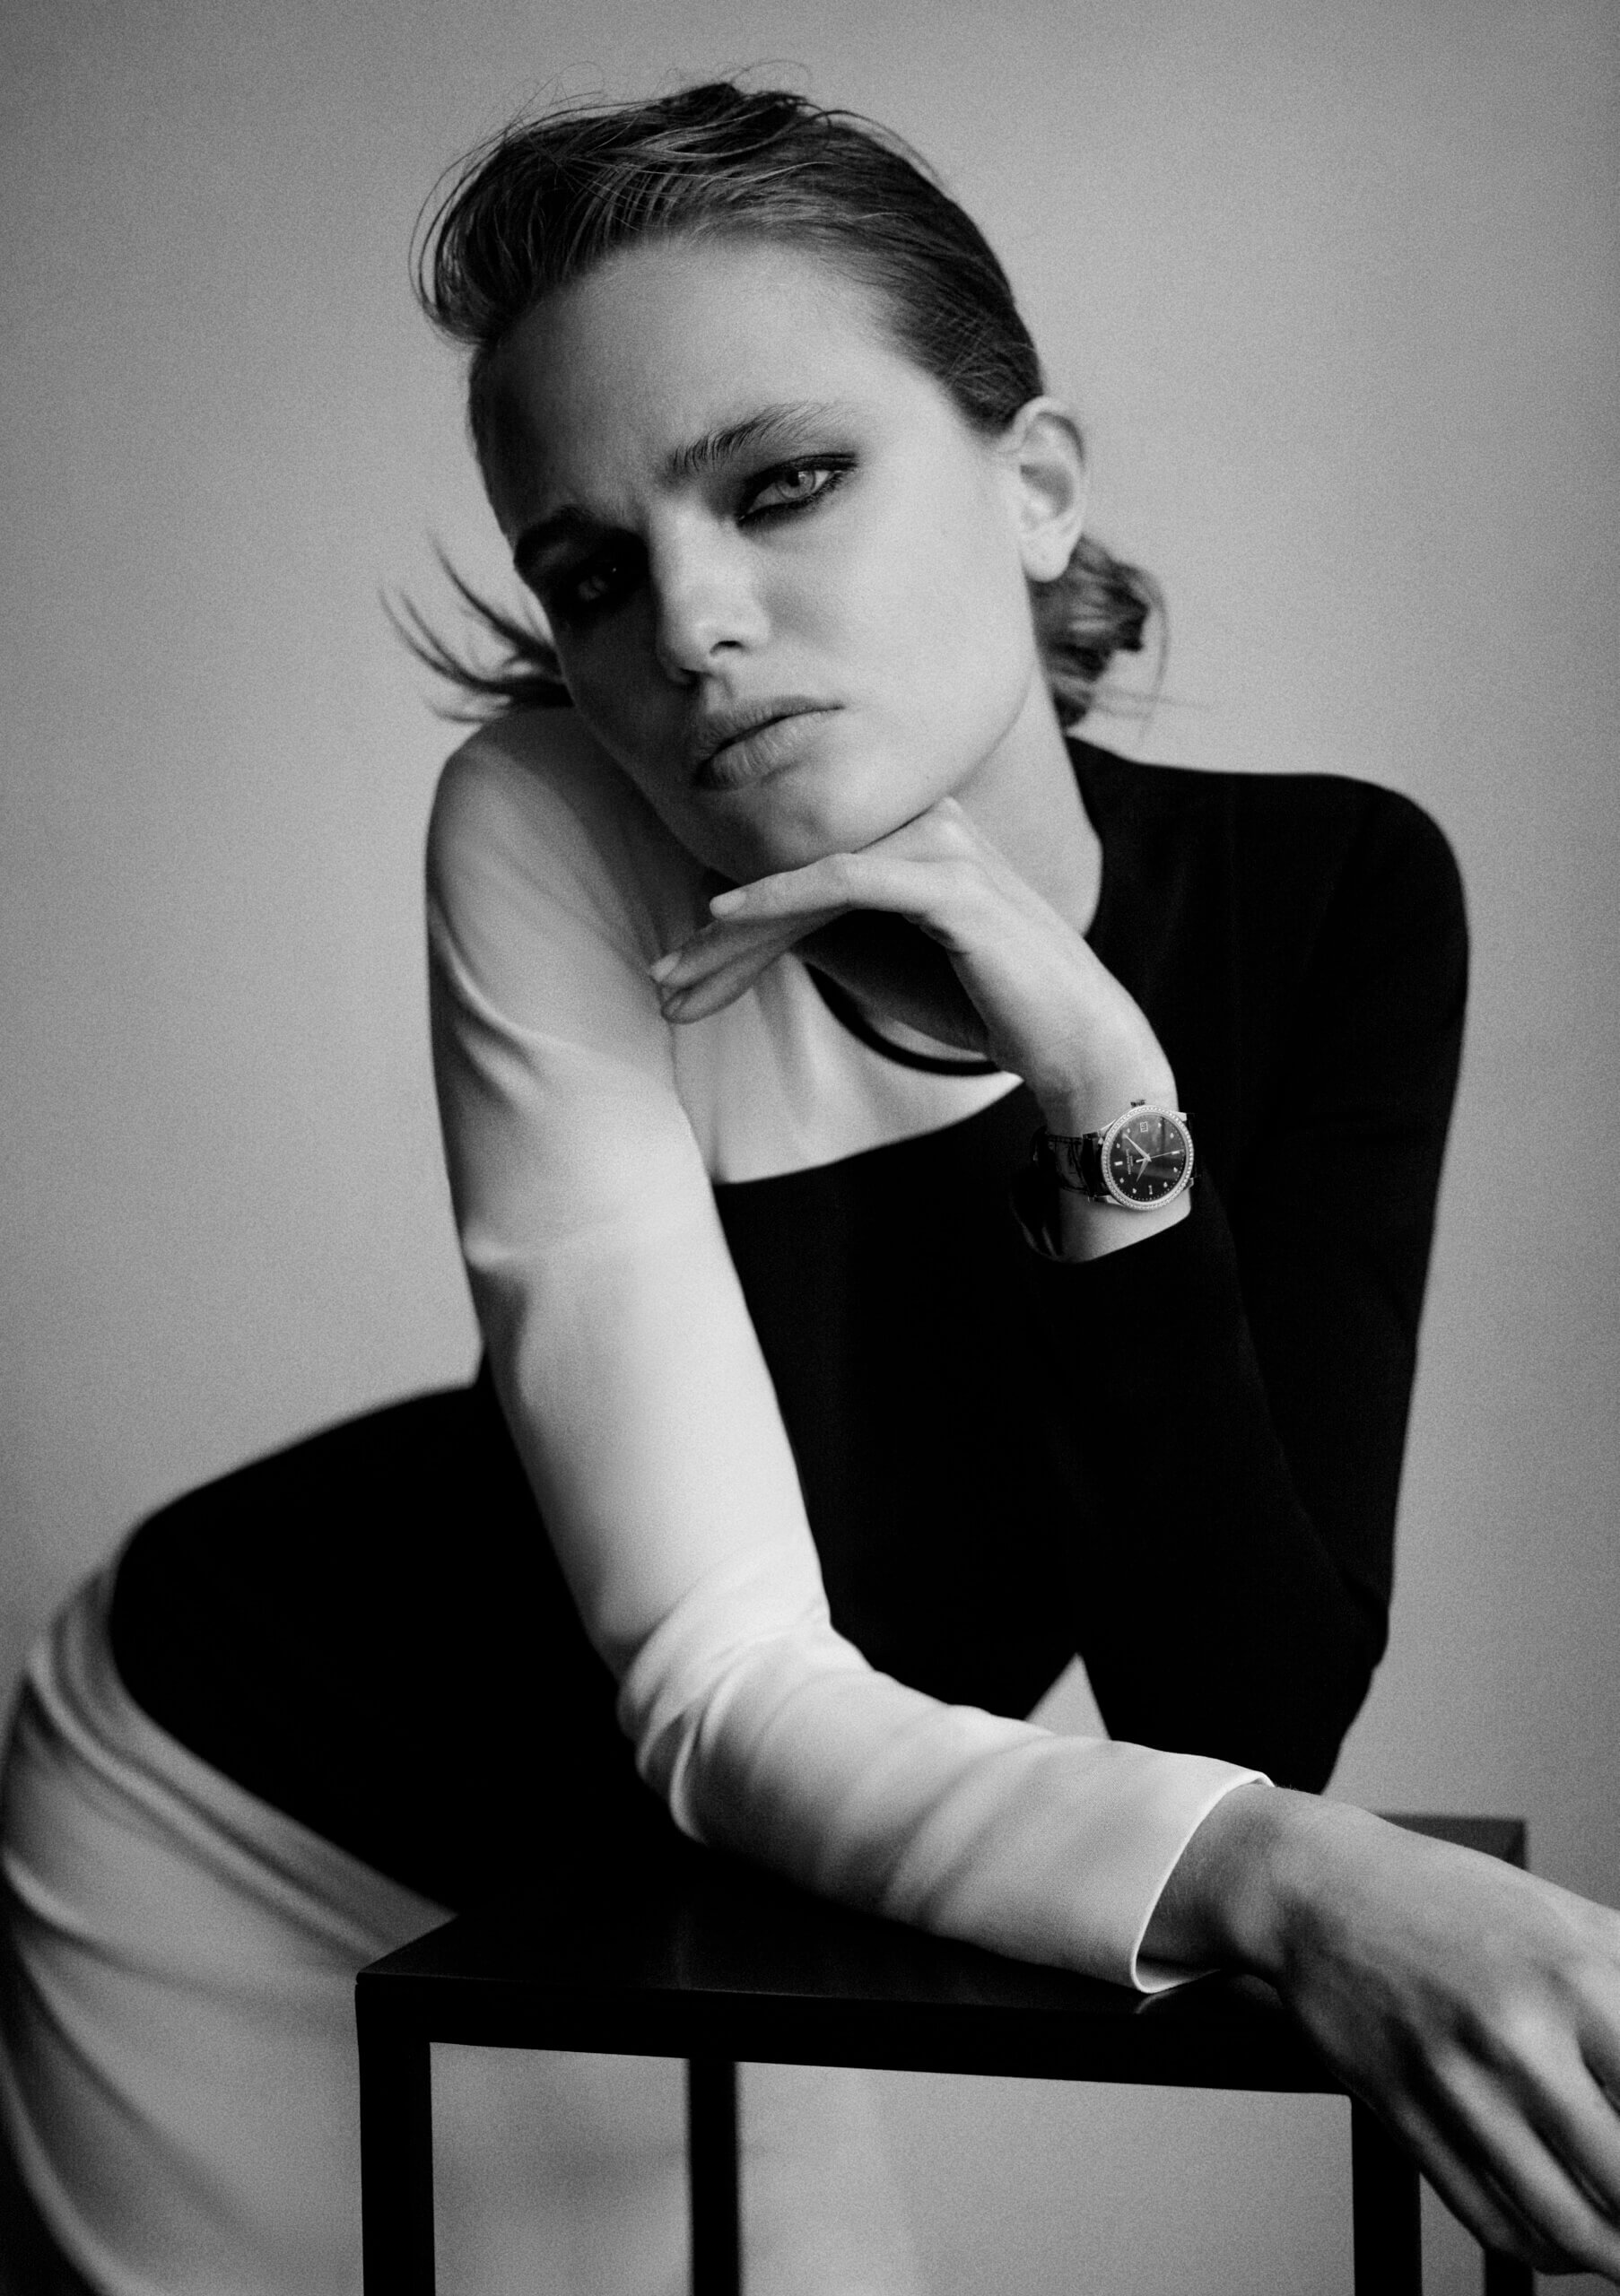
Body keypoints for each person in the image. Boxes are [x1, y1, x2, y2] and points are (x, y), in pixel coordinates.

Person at [4, 76, 1620, 2296]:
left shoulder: (1341, 894)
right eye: (590, 573)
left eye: (781, 483)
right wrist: (1301, 1882)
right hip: (247, 1810)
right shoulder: (548, 826)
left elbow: (1241, 1718)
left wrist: (1093, 1069)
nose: (685, 622)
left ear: (1036, 486)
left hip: (726, 1884)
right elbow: (724, 1680)